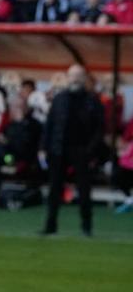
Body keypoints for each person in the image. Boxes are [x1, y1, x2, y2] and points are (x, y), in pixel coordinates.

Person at [40, 64, 104, 236]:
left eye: (78, 75)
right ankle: (50, 225)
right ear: (67, 78)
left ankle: (86, 227)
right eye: (72, 76)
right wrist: (43, 147)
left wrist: (90, 151)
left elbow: (99, 129)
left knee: (84, 190)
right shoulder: (59, 99)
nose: (75, 79)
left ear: (84, 79)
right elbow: (50, 125)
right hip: (58, 149)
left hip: (81, 151)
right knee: (54, 189)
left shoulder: (93, 101)